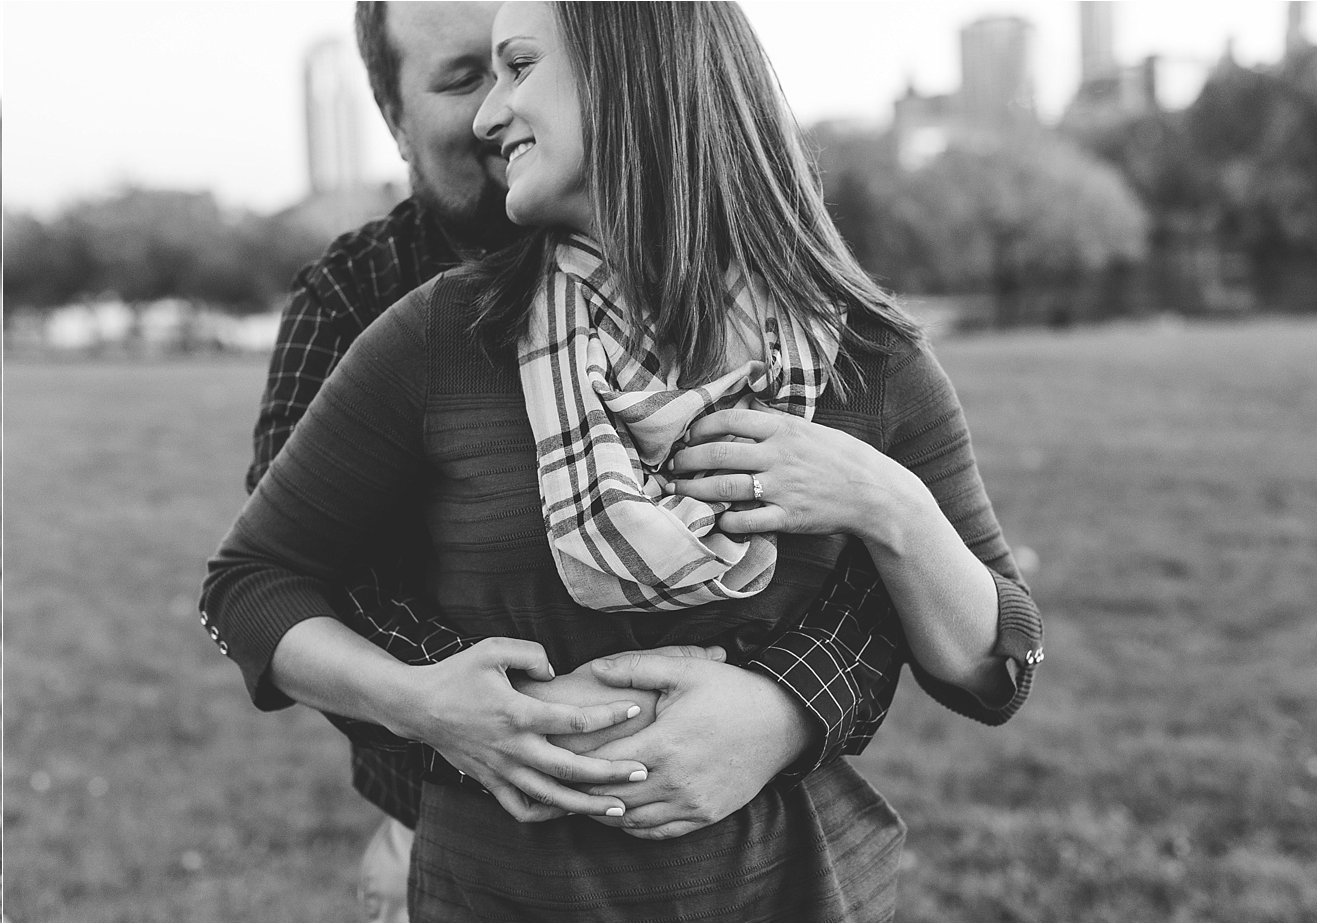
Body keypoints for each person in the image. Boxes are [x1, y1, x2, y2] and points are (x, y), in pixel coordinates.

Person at [203, 2, 1045, 919]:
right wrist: (429, 702)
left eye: (518, 66)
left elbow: (995, 671)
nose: (491, 113)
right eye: (467, 77)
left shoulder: (868, 357)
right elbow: (254, 582)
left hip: (799, 890)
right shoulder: (436, 332)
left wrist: (891, 508)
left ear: (626, 66)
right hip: (496, 889)